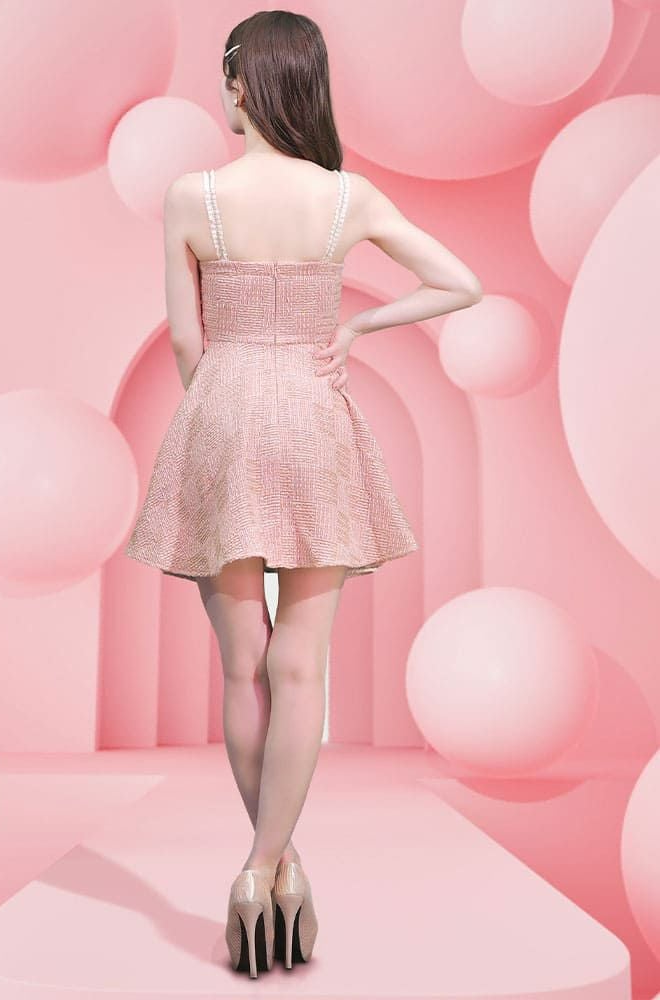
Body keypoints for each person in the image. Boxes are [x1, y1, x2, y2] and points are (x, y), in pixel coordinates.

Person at [125, 10, 482, 978]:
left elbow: (189, 341)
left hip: (224, 411)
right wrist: (357, 332)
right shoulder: (345, 197)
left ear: (243, 83)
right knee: (300, 669)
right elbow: (460, 282)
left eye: (225, 76)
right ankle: (266, 866)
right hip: (317, 420)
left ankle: (270, 863)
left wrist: (219, 418)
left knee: (242, 664)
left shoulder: (192, 195)